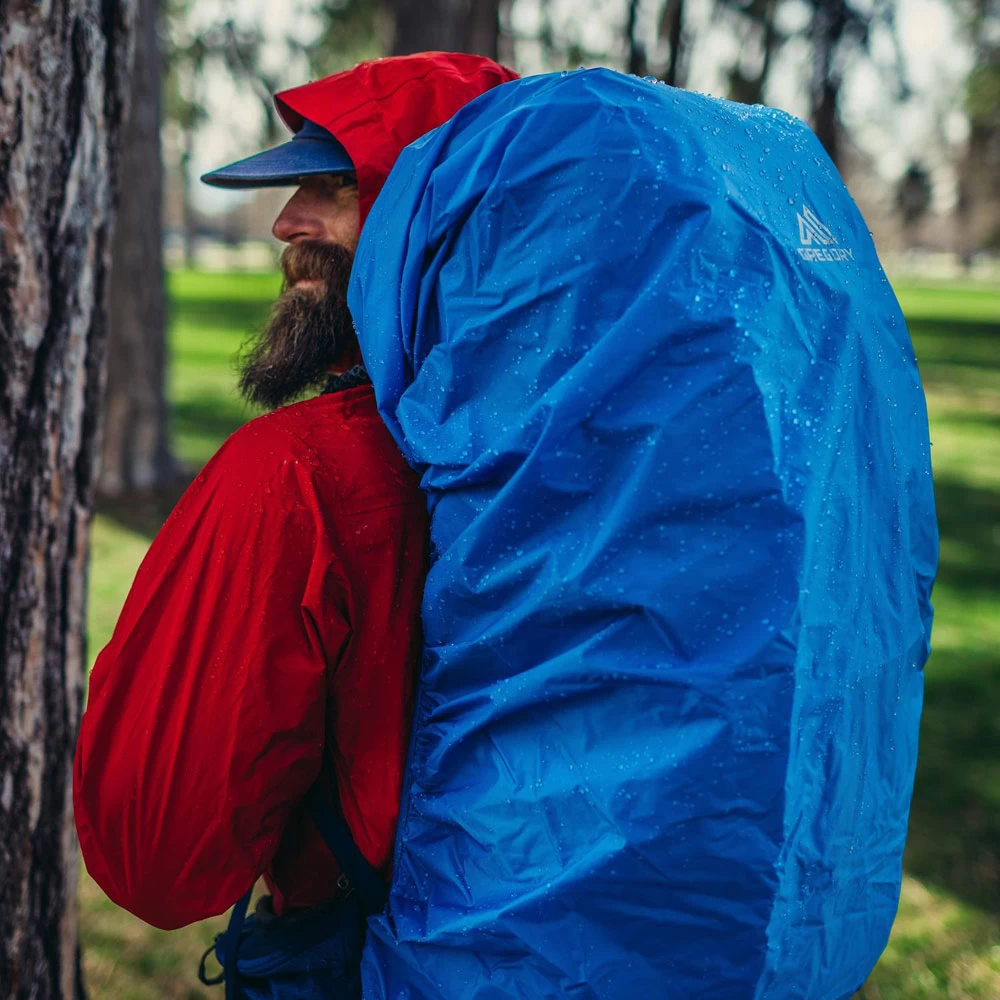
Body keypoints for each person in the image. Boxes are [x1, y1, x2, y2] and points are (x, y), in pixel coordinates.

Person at [73, 51, 518, 932]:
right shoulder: (566, 445)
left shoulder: (299, 475)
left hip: (379, 966)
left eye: (335, 187)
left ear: (436, 213)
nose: (285, 222)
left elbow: (158, 857)